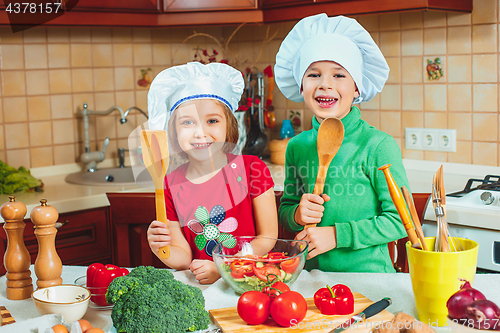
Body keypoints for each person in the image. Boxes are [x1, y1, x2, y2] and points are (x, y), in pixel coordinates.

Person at [275, 14, 409, 273]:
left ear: (357, 88)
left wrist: (338, 235)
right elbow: (287, 211)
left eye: (339, 75)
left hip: (369, 278)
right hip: (310, 278)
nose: (325, 84)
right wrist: (297, 215)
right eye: (313, 75)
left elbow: (401, 221)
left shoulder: (378, 146)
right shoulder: (297, 146)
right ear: (301, 86)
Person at [146, 62, 278, 284]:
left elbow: (267, 237)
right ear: (174, 132)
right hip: (201, 289)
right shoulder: (169, 184)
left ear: (229, 126)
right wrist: (161, 248)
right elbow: (183, 255)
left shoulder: (252, 169)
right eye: (187, 122)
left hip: (248, 282)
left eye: (212, 121)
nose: (200, 132)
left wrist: (225, 267)